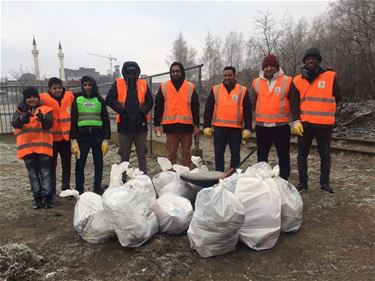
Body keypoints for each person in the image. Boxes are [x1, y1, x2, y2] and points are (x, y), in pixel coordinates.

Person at [290, 47, 342, 193]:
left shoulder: (330, 76)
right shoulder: (296, 80)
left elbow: (338, 96)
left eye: (313, 58)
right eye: (307, 58)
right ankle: (302, 183)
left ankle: (324, 183)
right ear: (304, 61)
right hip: (305, 124)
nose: (310, 60)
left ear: (318, 60)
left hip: (324, 125)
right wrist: (296, 121)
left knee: (325, 155)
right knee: (302, 156)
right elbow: (294, 104)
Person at [106, 61, 153, 179]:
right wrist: (122, 111)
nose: (131, 73)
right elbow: (109, 99)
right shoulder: (118, 83)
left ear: (137, 71)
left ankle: (144, 178)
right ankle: (123, 179)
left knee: (142, 154)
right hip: (124, 125)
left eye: (133, 70)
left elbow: (150, 101)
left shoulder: (143, 83)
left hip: (140, 125)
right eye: (129, 70)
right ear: (124, 72)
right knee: (124, 155)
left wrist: (142, 112)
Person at [250, 54, 292, 180]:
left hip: (281, 126)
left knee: (283, 155)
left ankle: (284, 180)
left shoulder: (287, 80)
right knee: (262, 155)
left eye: (271, 66)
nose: (268, 68)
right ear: (263, 68)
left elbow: (294, 101)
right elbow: (251, 101)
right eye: (266, 66)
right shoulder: (256, 82)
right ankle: (263, 180)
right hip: (262, 126)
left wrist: (296, 120)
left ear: (277, 67)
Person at [12, 87, 54, 208]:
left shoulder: (46, 109)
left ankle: (47, 198)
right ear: (25, 99)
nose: (32, 99)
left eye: (34, 97)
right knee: (33, 174)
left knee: (45, 173)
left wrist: (43, 119)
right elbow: (15, 123)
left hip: (43, 148)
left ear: (38, 97)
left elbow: (49, 124)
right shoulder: (19, 111)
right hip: (28, 149)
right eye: (29, 97)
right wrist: (21, 119)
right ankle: (37, 198)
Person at [203, 66, 252, 172]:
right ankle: (219, 176)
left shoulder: (242, 90)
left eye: (230, 75)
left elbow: (248, 111)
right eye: (225, 75)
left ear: (235, 76)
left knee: (235, 154)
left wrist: (248, 128)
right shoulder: (216, 89)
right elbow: (208, 109)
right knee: (219, 154)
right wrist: (206, 126)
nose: (227, 77)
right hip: (219, 128)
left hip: (235, 129)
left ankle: (233, 176)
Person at [153, 62, 200, 167]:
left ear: (182, 72)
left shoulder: (190, 87)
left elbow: (195, 107)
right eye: (173, 71)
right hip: (171, 128)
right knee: (171, 155)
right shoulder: (164, 86)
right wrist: (156, 125)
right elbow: (158, 106)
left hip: (186, 127)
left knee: (186, 154)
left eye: (177, 71)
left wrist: (196, 125)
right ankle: (171, 177)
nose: (175, 73)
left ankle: (185, 176)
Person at [70, 76, 111, 195]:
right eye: (85, 85)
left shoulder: (99, 100)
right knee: (80, 163)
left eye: (89, 84)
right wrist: (73, 139)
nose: (87, 87)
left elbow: (106, 119)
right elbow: (73, 120)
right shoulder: (77, 100)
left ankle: (97, 187)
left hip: (98, 136)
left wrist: (106, 138)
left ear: (93, 86)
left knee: (98, 163)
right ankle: (79, 189)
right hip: (82, 138)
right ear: (82, 86)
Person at [39, 78, 75, 194]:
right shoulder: (43, 98)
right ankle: (52, 189)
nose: (57, 90)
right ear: (49, 89)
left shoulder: (69, 96)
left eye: (59, 87)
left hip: (65, 138)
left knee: (66, 164)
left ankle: (66, 188)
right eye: (54, 88)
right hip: (51, 139)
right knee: (51, 166)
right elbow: (28, 101)